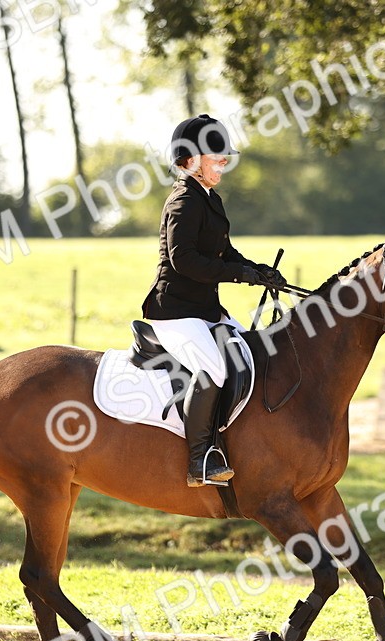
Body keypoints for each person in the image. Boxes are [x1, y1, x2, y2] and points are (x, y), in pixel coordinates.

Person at [140, 114, 285, 487]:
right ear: (190, 159)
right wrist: (238, 274)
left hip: (205, 311)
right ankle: (200, 458)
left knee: (254, 353)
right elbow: (182, 260)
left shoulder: (209, 198)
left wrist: (258, 270)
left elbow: (225, 252)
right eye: (215, 155)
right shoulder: (183, 200)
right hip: (175, 313)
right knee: (216, 370)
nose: (224, 161)